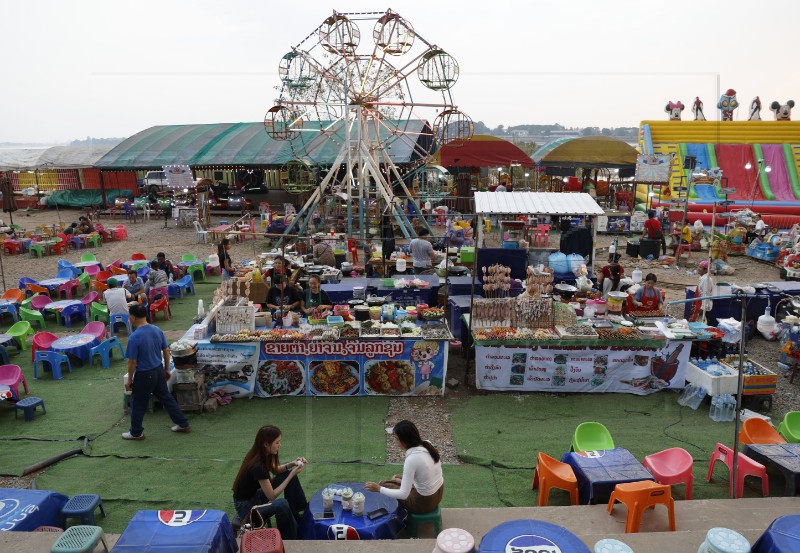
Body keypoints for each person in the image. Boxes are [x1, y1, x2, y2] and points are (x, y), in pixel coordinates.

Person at [123, 304, 190, 440]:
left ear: (133, 317)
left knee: (137, 402)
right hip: (158, 370)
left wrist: (130, 380)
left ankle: (136, 432)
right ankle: (182, 423)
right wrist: (166, 369)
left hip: (144, 374)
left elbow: (132, 362)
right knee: (166, 397)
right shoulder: (157, 330)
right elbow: (166, 351)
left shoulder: (134, 337)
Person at [231, 425, 308, 538]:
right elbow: (271, 496)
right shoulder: (258, 466)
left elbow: (275, 470)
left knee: (288, 475)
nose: (279, 445)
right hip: (248, 507)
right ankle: (289, 537)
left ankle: (298, 514)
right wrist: (291, 474)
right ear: (266, 444)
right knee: (281, 504)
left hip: (255, 495)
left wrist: (292, 464)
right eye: (277, 442)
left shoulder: (261, 454)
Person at [365, 420, 444, 514]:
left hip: (423, 503)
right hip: (438, 494)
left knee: (383, 484)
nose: (396, 442)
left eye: (396, 439)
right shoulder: (427, 444)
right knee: (396, 479)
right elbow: (426, 476)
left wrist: (379, 489)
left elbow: (403, 494)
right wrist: (402, 481)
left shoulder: (412, 459)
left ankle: (397, 518)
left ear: (404, 441)